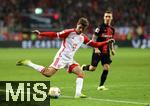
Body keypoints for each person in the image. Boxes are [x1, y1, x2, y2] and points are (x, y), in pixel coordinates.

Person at [16, 17, 114, 98]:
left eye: (82, 29)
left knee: (81, 73)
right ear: (77, 24)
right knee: (48, 74)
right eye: (80, 27)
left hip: (70, 60)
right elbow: (54, 34)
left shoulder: (82, 37)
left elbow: (94, 44)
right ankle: (29, 63)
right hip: (61, 57)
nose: (80, 30)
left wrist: (106, 42)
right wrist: (40, 33)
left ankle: (78, 94)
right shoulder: (69, 32)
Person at [82, 11, 115, 90]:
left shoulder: (112, 29)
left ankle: (101, 86)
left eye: (109, 16)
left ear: (111, 18)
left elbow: (110, 40)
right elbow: (93, 38)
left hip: (106, 51)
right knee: (92, 68)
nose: (107, 18)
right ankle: (84, 67)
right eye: (106, 16)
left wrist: (112, 49)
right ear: (104, 17)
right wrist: (95, 48)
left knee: (106, 67)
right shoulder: (100, 27)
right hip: (98, 50)